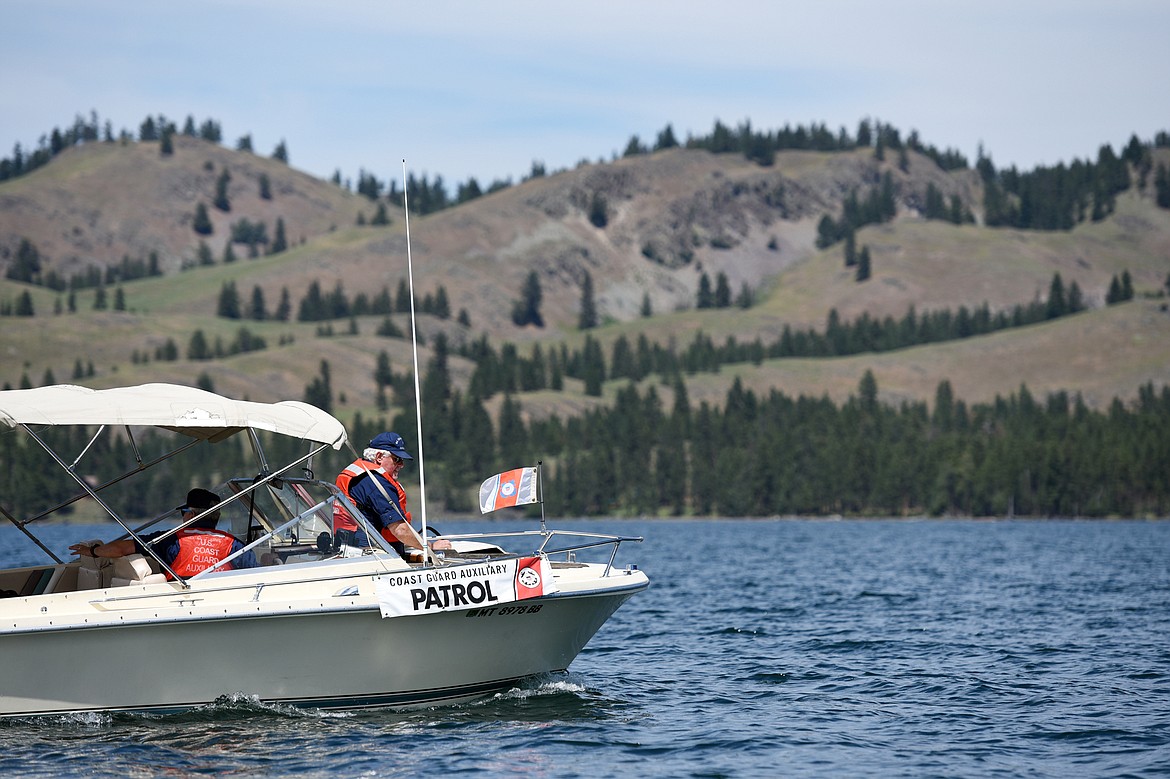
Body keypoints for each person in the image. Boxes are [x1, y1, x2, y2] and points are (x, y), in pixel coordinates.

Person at [70, 488, 257, 578]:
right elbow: (255, 573)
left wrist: (93, 551)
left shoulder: (170, 540)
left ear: (190, 514)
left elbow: (120, 548)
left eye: (184, 513)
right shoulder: (233, 544)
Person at [333, 431, 451, 555]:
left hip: (348, 549)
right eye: (397, 459)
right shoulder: (376, 482)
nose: (401, 465)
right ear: (379, 457)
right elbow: (400, 530)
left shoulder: (359, 475)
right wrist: (430, 546)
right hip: (373, 556)